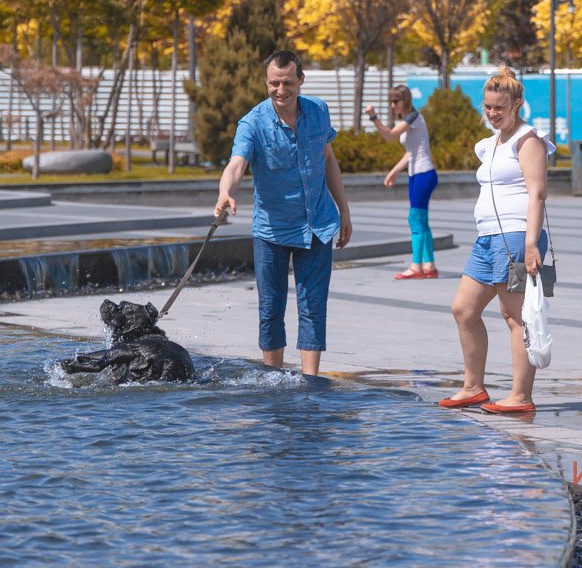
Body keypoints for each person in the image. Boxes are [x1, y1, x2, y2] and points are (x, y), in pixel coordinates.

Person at [214, 50, 353, 376]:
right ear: (266, 83)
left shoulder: (318, 111)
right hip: (272, 230)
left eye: (288, 82)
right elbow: (237, 164)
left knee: (313, 308)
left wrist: (343, 210)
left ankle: (309, 383)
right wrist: (225, 192)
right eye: (274, 83)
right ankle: (273, 380)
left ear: (300, 80)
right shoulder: (252, 123)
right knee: (270, 310)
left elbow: (328, 159)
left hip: (317, 223)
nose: (281, 90)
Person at [440, 66, 552, 414]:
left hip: (517, 238)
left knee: (516, 317)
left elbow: (537, 193)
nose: (492, 114)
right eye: (487, 107)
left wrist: (532, 244)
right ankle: (473, 387)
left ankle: (521, 396)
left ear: (517, 103)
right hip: (487, 240)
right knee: (464, 309)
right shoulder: (490, 144)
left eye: (499, 107)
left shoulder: (527, 140)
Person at [365, 85, 439, 279]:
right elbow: (411, 152)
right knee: (421, 220)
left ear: (405, 101)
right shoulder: (408, 120)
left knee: (414, 219)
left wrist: (374, 117)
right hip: (417, 174)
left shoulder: (413, 117)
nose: (393, 105)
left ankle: (416, 266)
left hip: (424, 173)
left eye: (396, 101)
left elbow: (389, 136)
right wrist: (395, 171)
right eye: (391, 101)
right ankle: (429, 266)